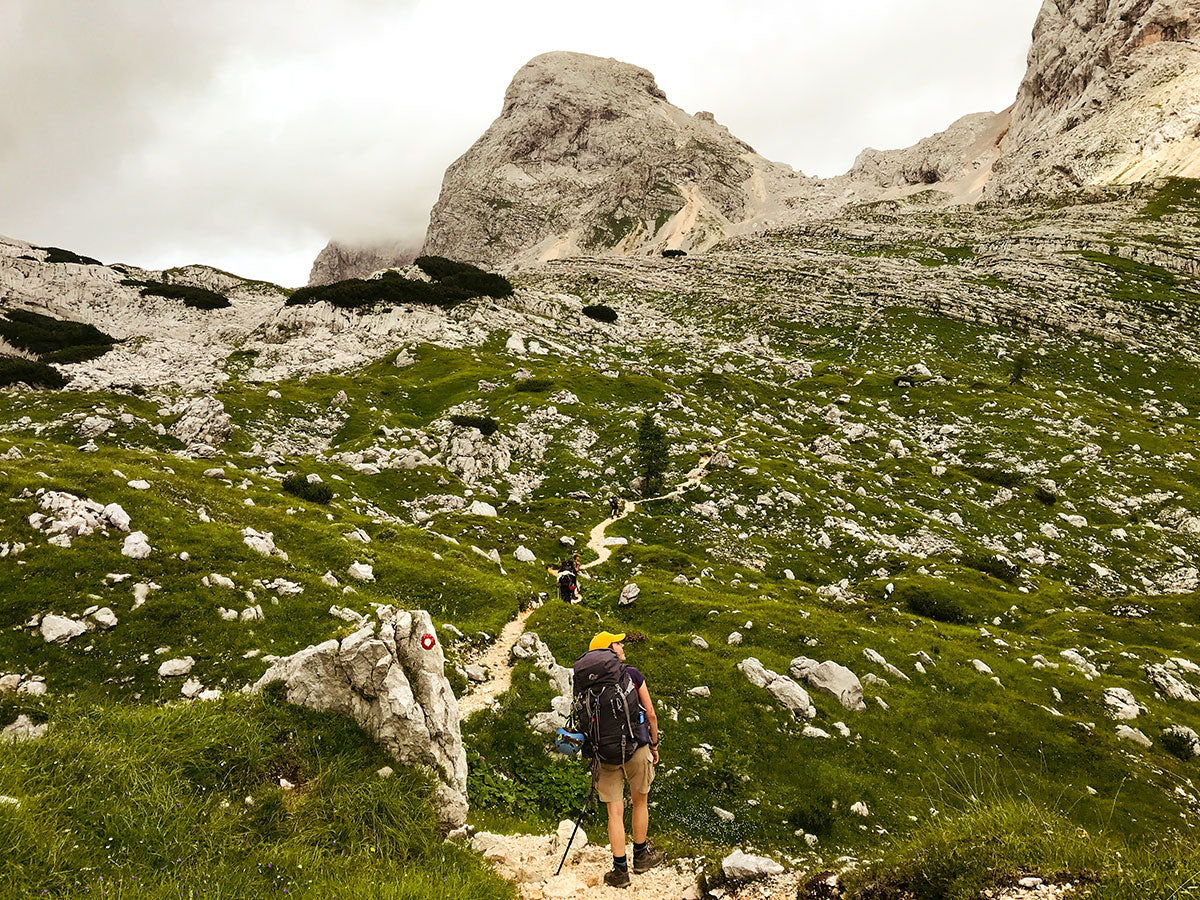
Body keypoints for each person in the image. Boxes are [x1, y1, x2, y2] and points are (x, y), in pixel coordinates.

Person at [587, 632, 664, 887]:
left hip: (605, 754)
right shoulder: (632, 674)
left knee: (614, 813)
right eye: (617, 643)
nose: (622, 645)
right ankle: (640, 857)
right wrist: (653, 745)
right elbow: (650, 713)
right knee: (640, 802)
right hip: (636, 748)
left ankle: (620, 872)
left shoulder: (587, 681)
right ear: (610, 651)